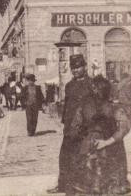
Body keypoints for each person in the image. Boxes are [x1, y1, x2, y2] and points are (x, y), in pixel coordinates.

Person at [66, 75, 131, 194]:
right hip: (102, 146)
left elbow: (124, 127)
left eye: (96, 89)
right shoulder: (111, 106)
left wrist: (105, 142)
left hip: (107, 146)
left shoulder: (111, 107)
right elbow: (124, 127)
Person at [49, 53, 94, 194]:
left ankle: (81, 185)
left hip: (85, 127)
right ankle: (62, 184)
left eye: (78, 67)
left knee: (82, 157)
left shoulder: (92, 84)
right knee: (64, 156)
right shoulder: (69, 85)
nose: (75, 70)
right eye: (73, 68)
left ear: (85, 67)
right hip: (70, 127)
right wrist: (64, 122)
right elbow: (67, 105)